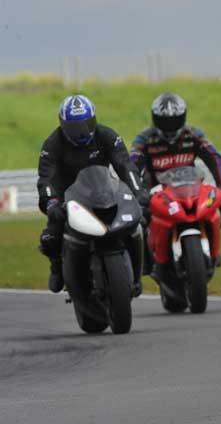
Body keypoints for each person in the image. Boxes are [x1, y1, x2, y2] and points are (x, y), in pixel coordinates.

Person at [37, 94, 148, 295]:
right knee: (51, 236)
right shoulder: (52, 145)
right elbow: (46, 179)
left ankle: (138, 273)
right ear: (63, 125)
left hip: (103, 188)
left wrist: (138, 191)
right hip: (67, 195)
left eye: (87, 124)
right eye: (75, 127)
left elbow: (125, 165)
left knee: (139, 221)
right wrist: (52, 202)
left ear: (94, 119)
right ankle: (56, 266)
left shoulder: (107, 136)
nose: (82, 131)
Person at [130, 92, 221, 275]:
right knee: (139, 218)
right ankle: (146, 263)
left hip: (190, 188)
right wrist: (138, 192)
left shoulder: (193, 134)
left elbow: (214, 157)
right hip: (156, 192)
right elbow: (131, 165)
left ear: (183, 117)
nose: (170, 127)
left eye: (174, 120)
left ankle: (211, 244)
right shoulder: (144, 139)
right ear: (155, 119)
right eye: (165, 121)